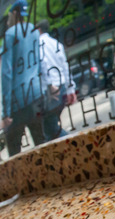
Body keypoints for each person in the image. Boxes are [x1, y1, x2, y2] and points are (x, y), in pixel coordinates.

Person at [2, 0, 45, 157]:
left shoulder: (10, 35)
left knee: (14, 151)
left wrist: (5, 112)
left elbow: (6, 73)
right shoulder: (33, 31)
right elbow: (39, 62)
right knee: (42, 144)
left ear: (14, 14)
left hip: (18, 101)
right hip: (36, 94)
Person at [38, 19, 76, 142]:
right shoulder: (56, 44)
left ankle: (73, 143)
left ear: (38, 29)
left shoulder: (38, 45)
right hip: (62, 86)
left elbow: (43, 65)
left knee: (50, 129)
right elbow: (65, 66)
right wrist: (71, 89)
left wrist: (50, 86)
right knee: (50, 129)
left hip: (52, 89)